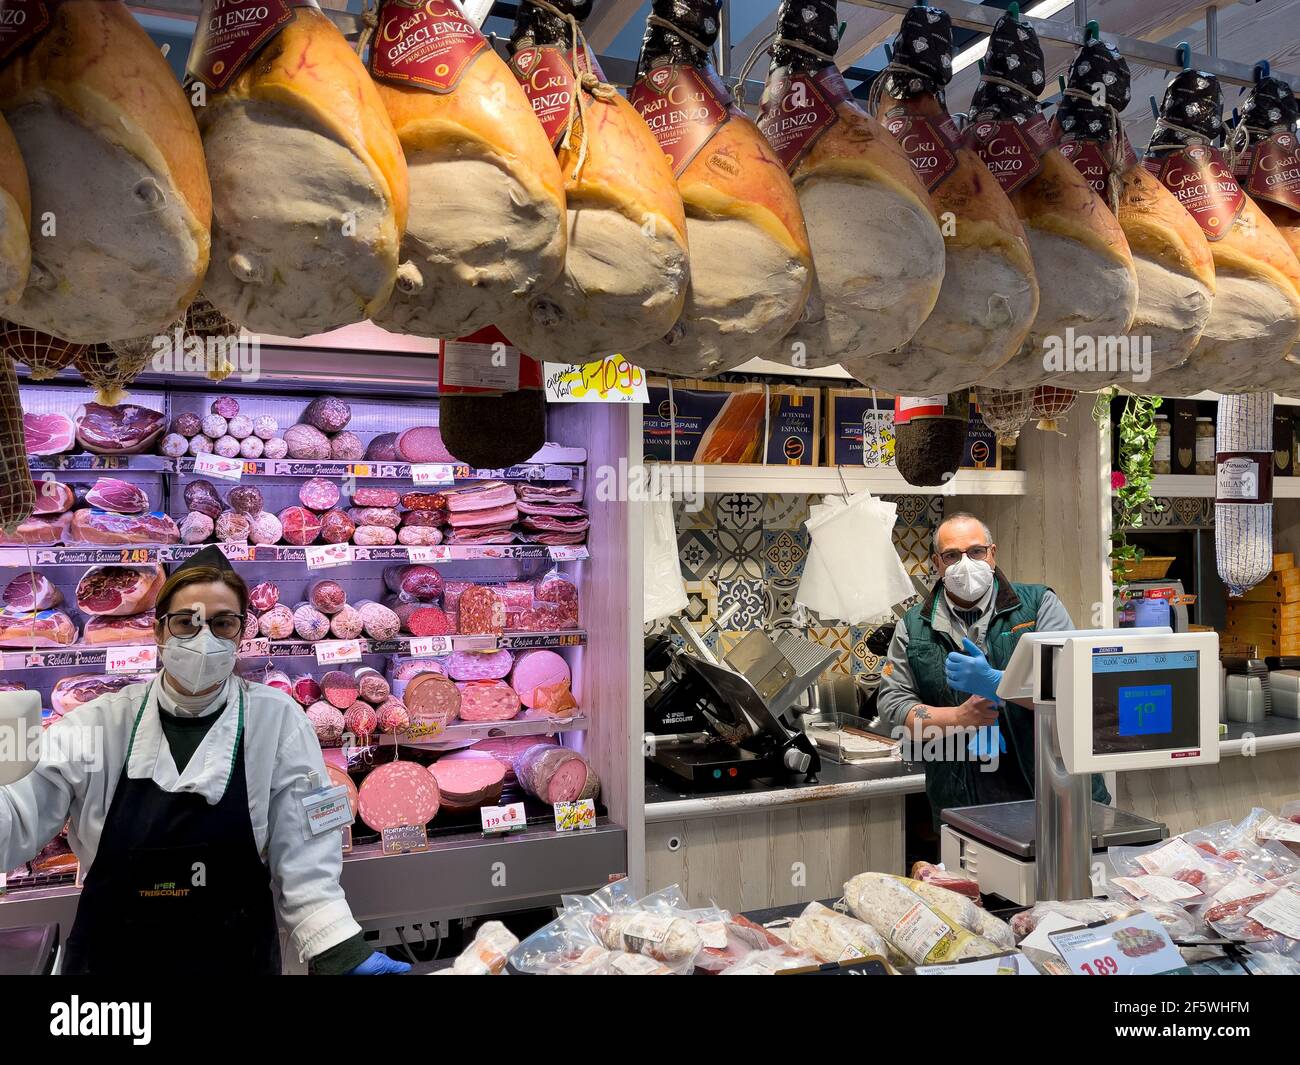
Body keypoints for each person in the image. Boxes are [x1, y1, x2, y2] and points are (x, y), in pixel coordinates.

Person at [0, 546, 407, 975]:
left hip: (233, 955)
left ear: (239, 634)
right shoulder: (97, 722)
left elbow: (307, 852)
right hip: (114, 960)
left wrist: (337, 949)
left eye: (221, 623)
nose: (203, 637)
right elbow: (18, 817)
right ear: (160, 633)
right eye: (185, 622)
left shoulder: (277, 719)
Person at [876, 513, 1109, 828]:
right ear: (937, 563)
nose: (966, 563)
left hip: (1054, 793)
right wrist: (960, 718)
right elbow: (894, 706)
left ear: (992, 553)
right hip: (964, 807)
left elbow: (1075, 693)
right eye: (952, 556)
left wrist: (1000, 684)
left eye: (976, 552)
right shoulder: (914, 627)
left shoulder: (1039, 606)